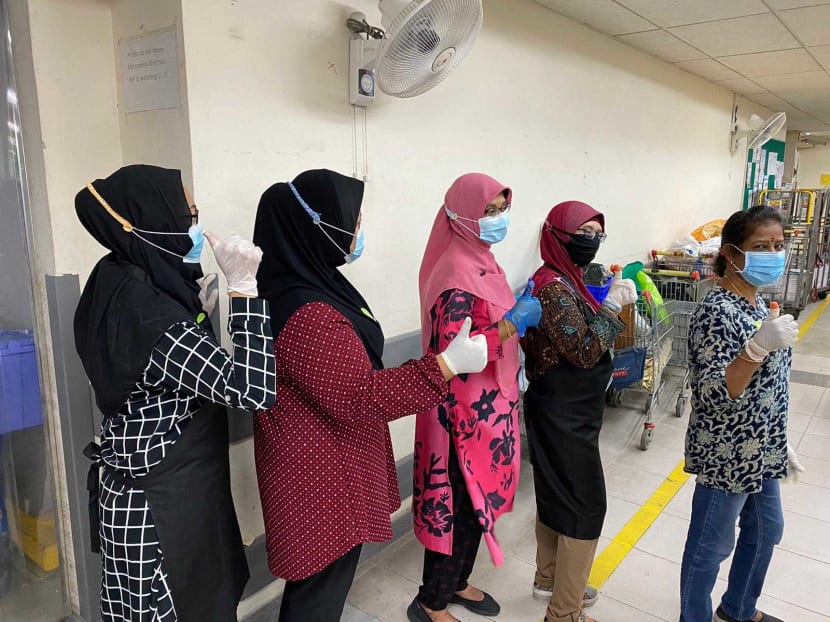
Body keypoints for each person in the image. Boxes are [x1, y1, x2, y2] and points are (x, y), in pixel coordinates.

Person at [251, 169, 489, 622]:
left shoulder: (305, 285)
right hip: (319, 486)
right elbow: (360, 397)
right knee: (316, 596)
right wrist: (446, 364)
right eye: (353, 221)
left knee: (320, 589)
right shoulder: (306, 313)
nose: (357, 232)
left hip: (323, 473)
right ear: (314, 227)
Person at [74, 165, 276, 621]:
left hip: (158, 482)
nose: (196, 225)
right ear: (150, 218)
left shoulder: (117, 276)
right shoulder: (155, 318)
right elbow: (253, 390)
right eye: (187, 213)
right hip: (159, 507)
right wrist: (244, 290)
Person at [408, 173, 542, 622]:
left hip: (488, 408)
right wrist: (510, 324)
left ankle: (458, 580)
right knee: (458, 504)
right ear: (460, 214)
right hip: (458, 413)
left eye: (502, 210)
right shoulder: (455, 271)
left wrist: (513, 313)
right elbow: (453, 351)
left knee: (476, 502)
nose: (497, 220)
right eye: (489, 211)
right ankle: (431, 600)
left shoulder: (483, 259)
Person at [680, 206, 800, 622]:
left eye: (779, 246)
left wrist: (778, 440)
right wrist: (755, 349)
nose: (773, 254)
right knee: (709, 548)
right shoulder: (716, 312)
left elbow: (772, 384)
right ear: (732, 254)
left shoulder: (755, 306)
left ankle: (738, 609)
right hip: (727, 453)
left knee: (768, 530)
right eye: (761, 246)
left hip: (762, 448)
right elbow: (714, 393)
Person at [522, 200, 637, 622]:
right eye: (583, 232)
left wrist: (602, 299)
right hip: (561, 413)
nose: (591, 241)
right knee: (585, 505)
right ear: (556, 234)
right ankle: (564, 612)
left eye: (597, 233)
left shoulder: (564, 280)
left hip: (566, 409)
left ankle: (549, 578)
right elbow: (586, 351)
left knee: (556, 493)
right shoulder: (552, 286)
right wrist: (612, 308)